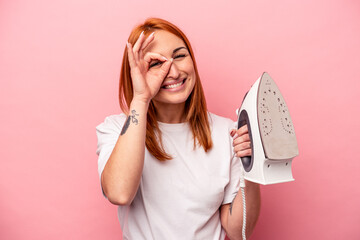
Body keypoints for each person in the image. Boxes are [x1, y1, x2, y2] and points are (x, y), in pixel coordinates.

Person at [96, 18, 261, 240]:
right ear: (135, 73)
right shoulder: (116, 129)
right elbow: (119, 192)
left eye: (180, 56)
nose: (173, 72)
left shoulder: (227, 133)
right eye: (156, 63)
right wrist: (141, 98)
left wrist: (251, 167)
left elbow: (238, 232)